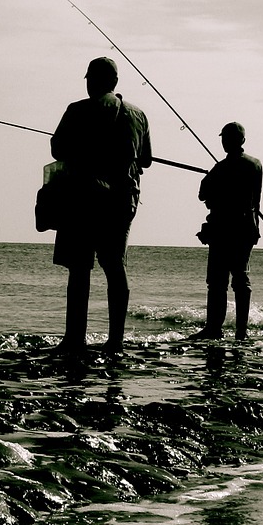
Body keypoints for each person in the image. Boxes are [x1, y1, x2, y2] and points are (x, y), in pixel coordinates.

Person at [50, 56, 152, 354]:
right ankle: (115, 341)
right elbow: (145, 159)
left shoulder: (77, 110)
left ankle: (74, 339)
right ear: (116, 83)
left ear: (92, 80)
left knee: (80, 269)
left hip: (83, 198)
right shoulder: (139, 115)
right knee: (114, 266)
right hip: (123, 200)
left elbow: (57, 148)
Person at [194, 122, 263, 342]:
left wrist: (212, 175)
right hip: (246, 229)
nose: (224, 142)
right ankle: (241, 333)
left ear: (235, 140)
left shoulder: (221, 168)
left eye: (225, 138)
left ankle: (214, 329)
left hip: (223, 230)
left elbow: (203, 193)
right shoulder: (255, 165)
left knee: (217, 282)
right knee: (240, 279)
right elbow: (257, 200)